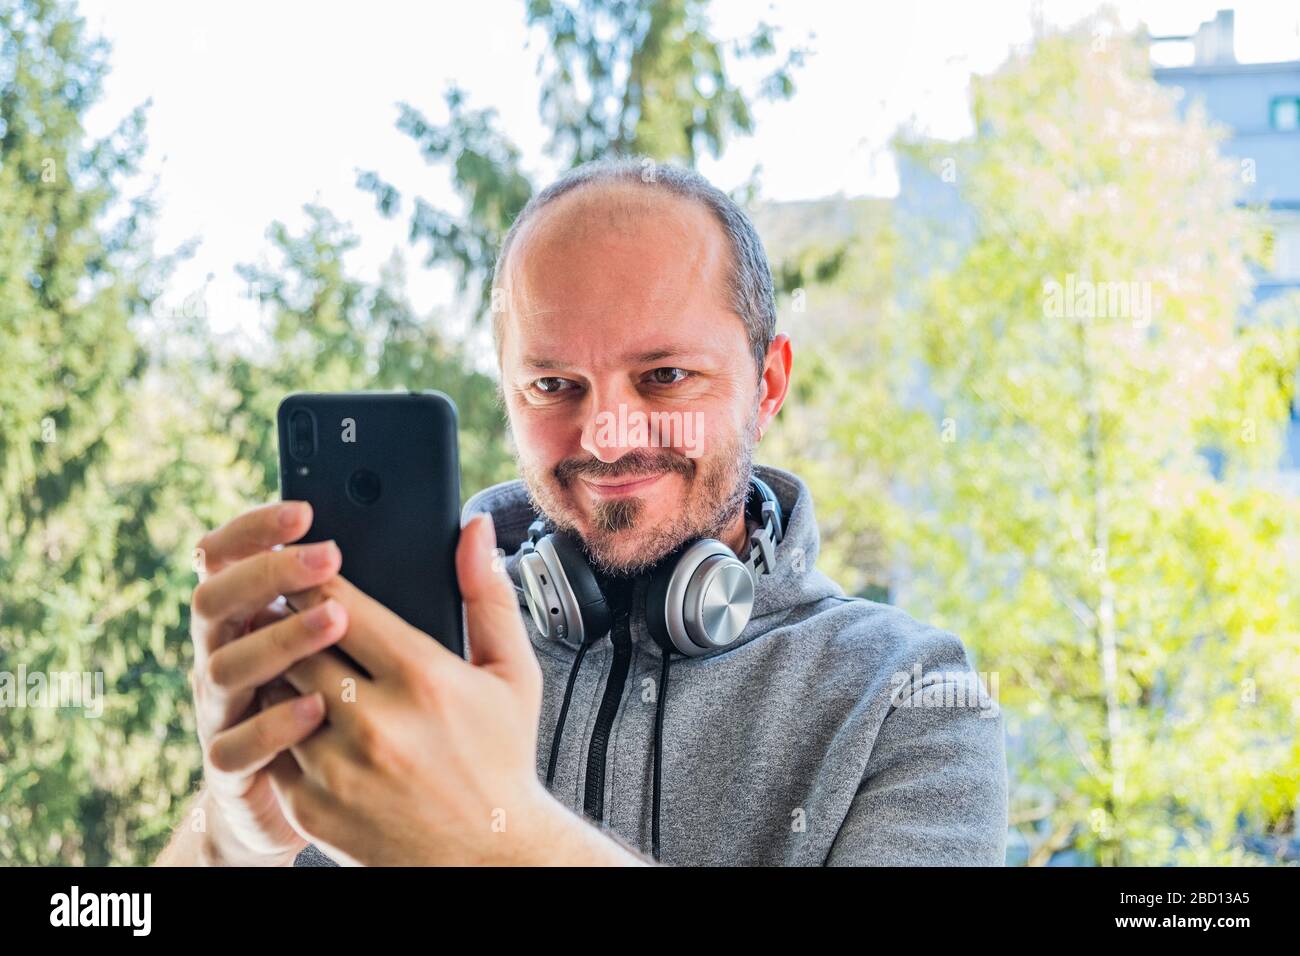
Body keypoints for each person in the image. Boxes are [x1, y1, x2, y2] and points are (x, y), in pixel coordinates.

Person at [156, 158, 1007, 867]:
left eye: (665, 376)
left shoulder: (910, 698)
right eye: (554, 385)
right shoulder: (402, 647)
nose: (605, 437)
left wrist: (497, 835)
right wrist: (233, 834)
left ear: (769, 385)